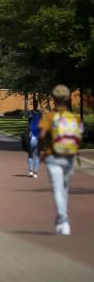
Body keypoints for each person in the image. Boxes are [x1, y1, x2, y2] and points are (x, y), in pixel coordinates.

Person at [38, 85, 83, 236]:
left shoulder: (49, 117)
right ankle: (62, 219)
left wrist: (41, 150)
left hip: (53, 156)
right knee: (64, 189)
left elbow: (42, 135)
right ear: (69, 98)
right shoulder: (75, 118)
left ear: (53, 98)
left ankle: (63, 220)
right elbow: (79, 137)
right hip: (69, 157)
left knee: (58, 190)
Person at [27, 99, 42, 178]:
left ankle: (32, 171)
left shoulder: (33, 113)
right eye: (35, 103)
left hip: (35, 135)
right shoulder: (38, 113)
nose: (35, 105)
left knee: (33, 154)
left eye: (36, 103)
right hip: (33, 135)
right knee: (32, 154)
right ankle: (33, 172)